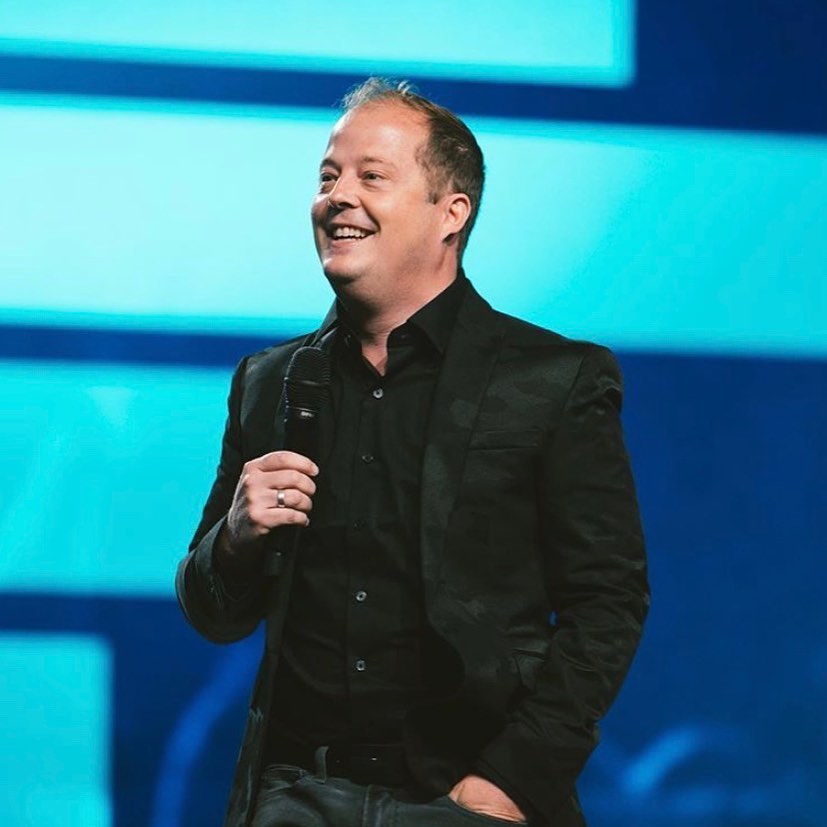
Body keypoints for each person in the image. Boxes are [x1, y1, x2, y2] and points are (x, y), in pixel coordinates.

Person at [176, 78, 649, 827]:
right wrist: (234, 538)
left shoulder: (551, 380)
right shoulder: (271, 382)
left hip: (465, 796)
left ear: (450, 213)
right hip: (298, 796)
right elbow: (213, 613)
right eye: (327, 177)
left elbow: (608, 604)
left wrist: (509, 782)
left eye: (372, 176)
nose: (337, 196)